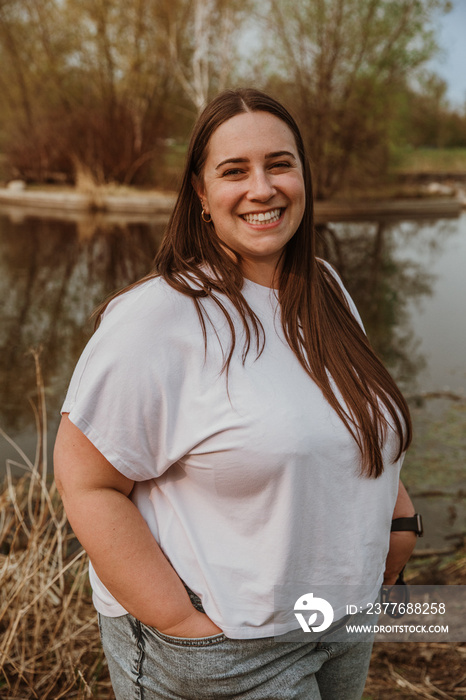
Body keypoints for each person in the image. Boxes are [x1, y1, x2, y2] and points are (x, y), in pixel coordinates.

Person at [54, 88, 419, 699]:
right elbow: (84, 480)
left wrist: (398, 516)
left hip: (343, 619)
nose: (263, 188)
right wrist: (182, 626)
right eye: (234, 171)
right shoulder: (158, 319)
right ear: (200, 194)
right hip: (231, 646)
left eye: (280, 163)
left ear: (304, 175)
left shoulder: (324, 288)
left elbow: (347, 418)